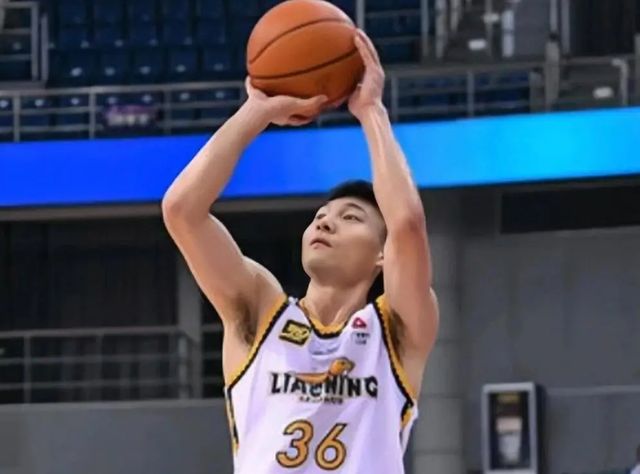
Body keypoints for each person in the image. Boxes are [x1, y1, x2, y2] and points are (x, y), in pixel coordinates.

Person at [162, 29, 439, 474]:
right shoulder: (261, 311)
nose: (325, 222)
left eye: (351, 217)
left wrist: (371, 110)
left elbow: (406, 225)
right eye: (321, 216)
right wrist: (256, 111)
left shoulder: (396, 329)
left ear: (382, 255)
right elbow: (182, 210)